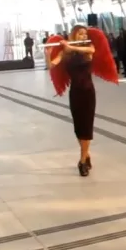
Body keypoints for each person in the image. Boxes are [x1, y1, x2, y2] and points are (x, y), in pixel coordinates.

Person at [46, 26, 117, 177]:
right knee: (78, 127)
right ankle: (87, 154)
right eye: (80, 34)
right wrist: (48, 54)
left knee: (86, 126)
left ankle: (82, 161)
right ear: (74, 35)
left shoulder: (88, 47)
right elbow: (52, 65)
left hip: (88, 92)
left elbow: (90, 52)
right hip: (75, 93)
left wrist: (68, 46)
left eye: (85, 34)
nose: (83, 36)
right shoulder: (65, 52)